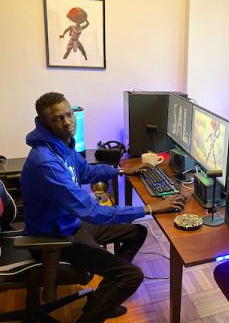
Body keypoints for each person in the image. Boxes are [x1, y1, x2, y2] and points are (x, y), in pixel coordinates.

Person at [21, 92, 189, 322]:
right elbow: (94, 212)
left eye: (69, 114)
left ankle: (101, 301)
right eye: (57, 119)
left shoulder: (61, 145)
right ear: (44, 123)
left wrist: (120, 170)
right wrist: (150, 208)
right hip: (54, 239)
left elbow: (86, 172)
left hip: (70, 224)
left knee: (136, 232)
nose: (67, 122)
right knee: (131, 276)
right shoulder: (46, 162)